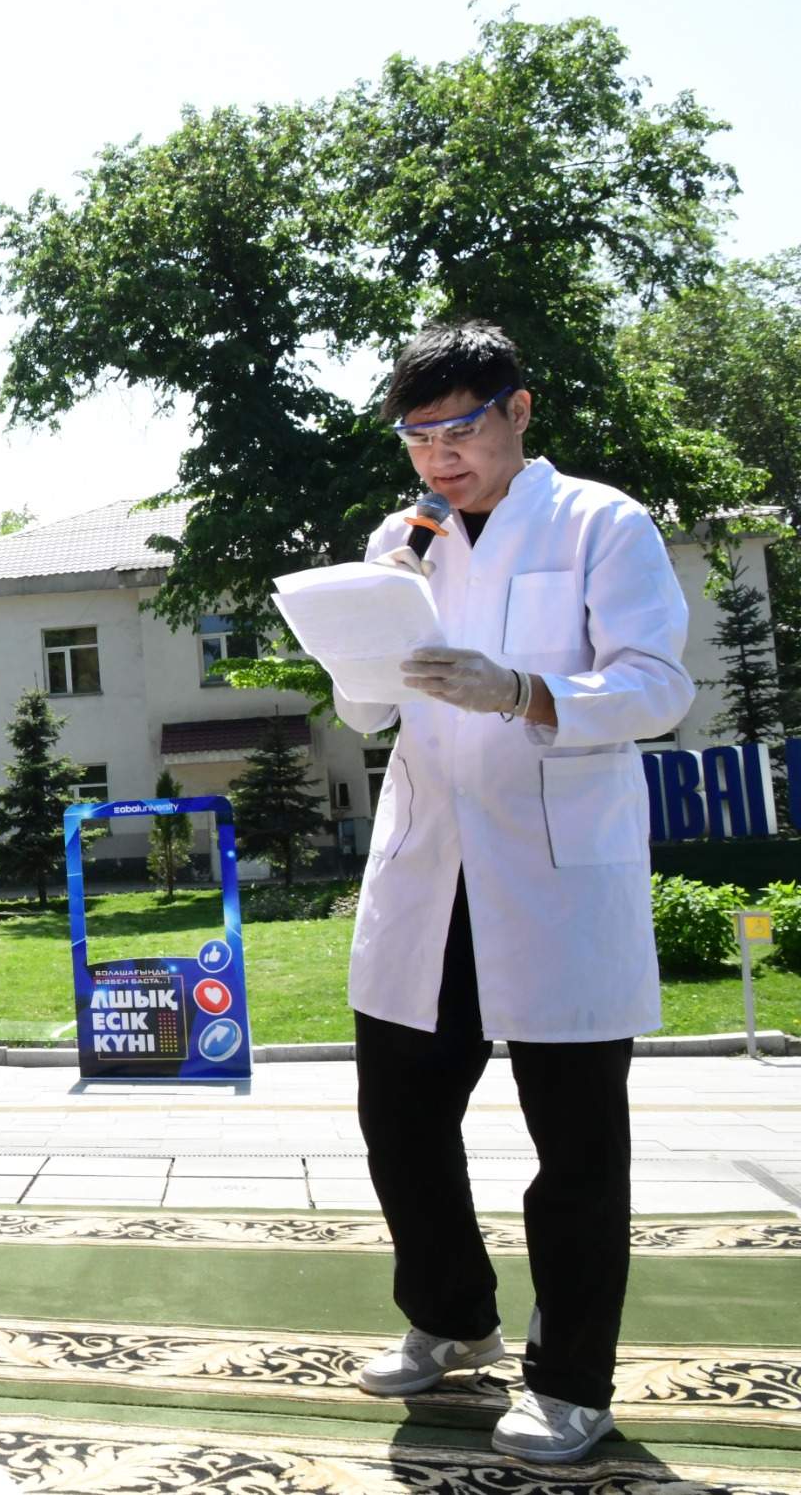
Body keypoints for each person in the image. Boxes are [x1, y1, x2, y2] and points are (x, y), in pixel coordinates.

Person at [334, 321, 693, 1465]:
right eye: (416, 435)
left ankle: (571, 1380)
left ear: (518, 411)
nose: (437, 457)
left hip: (553, 871)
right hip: (426, 871)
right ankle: (450, 1315)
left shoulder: (601, 522)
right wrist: (363, 626)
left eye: (458, 429)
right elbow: (363, 710)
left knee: (575, 1145)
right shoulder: (400, 537)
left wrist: (525, 690)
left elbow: (657, 687)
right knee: (399, 1119)